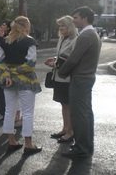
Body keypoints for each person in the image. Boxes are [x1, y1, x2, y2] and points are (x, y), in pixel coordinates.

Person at [58, 6, 101, 159]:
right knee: (86, 114)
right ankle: (87, 145)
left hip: (81, 79)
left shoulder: (85, 35)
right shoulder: (92, 33)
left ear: (84, 18)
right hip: (86, 78)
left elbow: (74, 59)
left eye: (75, 17)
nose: (73, 20)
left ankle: (81, 147)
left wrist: (60, 72)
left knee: (79, 114)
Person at [0, 16, 42, 155]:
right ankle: (28, 144)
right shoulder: (30, 41)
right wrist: (15, 73)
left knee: (9, 111)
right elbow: (30, 64)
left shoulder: (5, 41)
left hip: (8, 80)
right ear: (26, 26)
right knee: (27, 113)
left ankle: (11, 142)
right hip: (26, 81)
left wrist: (8, 74)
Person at [44, 15, 78, 143]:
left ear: (70, 26)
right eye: (60, 26)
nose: (61, 28)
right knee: (63, 104)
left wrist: (56, 63)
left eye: (63, 25)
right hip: (58, 76)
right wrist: (54, 59)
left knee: (68, 105)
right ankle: (65, 128)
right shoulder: (62, 38)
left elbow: (74, 60)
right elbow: (62, 55)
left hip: (67, 78)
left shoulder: (75, 39)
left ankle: (70, 132)